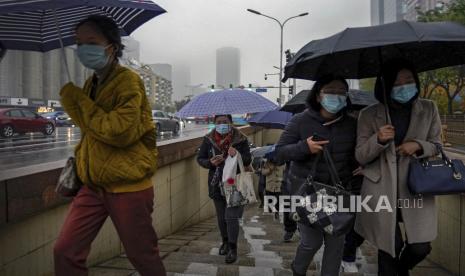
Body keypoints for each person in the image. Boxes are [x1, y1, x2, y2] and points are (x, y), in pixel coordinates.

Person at [53, 15, 166, 276]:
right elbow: (92, 131)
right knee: (65, 250)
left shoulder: (128, 81)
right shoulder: (91, 83)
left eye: (91, 42)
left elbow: (118, 132)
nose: (83, 49)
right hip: (92, 185)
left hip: (128, 185)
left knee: (142, 255)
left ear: (111, 46)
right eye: (79, 43)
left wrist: (75, 101)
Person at [355, 59, 441, 276]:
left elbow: (437, 145)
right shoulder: (368, 114)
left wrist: (419, 146)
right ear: (385, 86)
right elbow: (361, 155)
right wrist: (379, 139)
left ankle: (399, 271)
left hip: (416, 185)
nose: (404, 86)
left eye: (409, 80)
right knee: (389, 248)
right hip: (381, 187)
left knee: (420, 246)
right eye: (397, 82)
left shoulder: (429, 108)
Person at [276, 75, 359, 276]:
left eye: (341, 92)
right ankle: (298, 269)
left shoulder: (352, 124)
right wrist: (304, 147)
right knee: (311, 242)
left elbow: (357, 154)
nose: (336, 96)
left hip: (341, 193)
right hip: (309, 193)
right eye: (331, 91)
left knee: (336, 244)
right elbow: (279, 153)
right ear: (319, 95)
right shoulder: (300, 120)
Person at [196, 114, 252, 264]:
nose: (222, 124)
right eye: (219, 122)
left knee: (231, 217)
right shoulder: (208, 139)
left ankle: (233, 249)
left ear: (231, 123)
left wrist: (237, 154)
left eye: (225, 122)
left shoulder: (241, 139)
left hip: (235, 183)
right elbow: (200, 159)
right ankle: (225, 242)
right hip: (216, 184)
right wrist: (210, 162)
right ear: (214, 123)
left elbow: (248, 159)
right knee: (221, 218)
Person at [260, 149, 284, 220]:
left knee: (278, 201)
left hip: (279, 186)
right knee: (270, 201)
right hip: (270, 186)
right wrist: (269, 170)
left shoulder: (282, 163)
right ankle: (272, 212)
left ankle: (277, 212)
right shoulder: (267, 163)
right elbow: (263, 172)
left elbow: (285, 172)